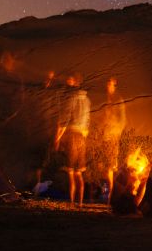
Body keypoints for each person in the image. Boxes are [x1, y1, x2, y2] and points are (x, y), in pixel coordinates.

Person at [54, 73, 90, 206]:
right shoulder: (87, 99)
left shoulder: (71, 97)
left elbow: (65, 119)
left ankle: (71, 202)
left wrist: (57, 138)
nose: (68, 81)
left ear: (76, 82)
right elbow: (87, 121)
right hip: (82, 137)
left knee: (70, 173)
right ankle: (80, 203)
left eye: (70, 79)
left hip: (72, 136)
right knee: (79, 173)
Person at [100, 77, 127, 196]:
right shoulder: (105, 99)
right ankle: (107, 193)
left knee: (109, 168)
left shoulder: (118, 100)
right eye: (107, 84)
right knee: (104, 168)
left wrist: (116, 134)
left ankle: (109, 196)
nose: (108, 86)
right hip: (105, 137)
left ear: (115, 85)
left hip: (112, 137)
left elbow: (123, 120)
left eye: (110, 84)